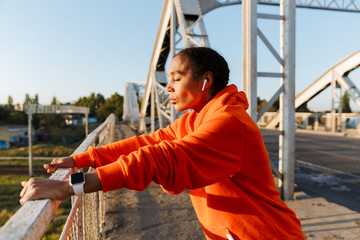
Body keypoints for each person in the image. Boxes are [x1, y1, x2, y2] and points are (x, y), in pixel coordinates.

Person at [20, 47, 304, 240]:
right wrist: (82, 159)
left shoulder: (229, 123)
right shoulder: (196, 119)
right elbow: (148, 142)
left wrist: (70, 185)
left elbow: (158, 158)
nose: (167, 87)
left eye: (176, 78)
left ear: (206, 81)